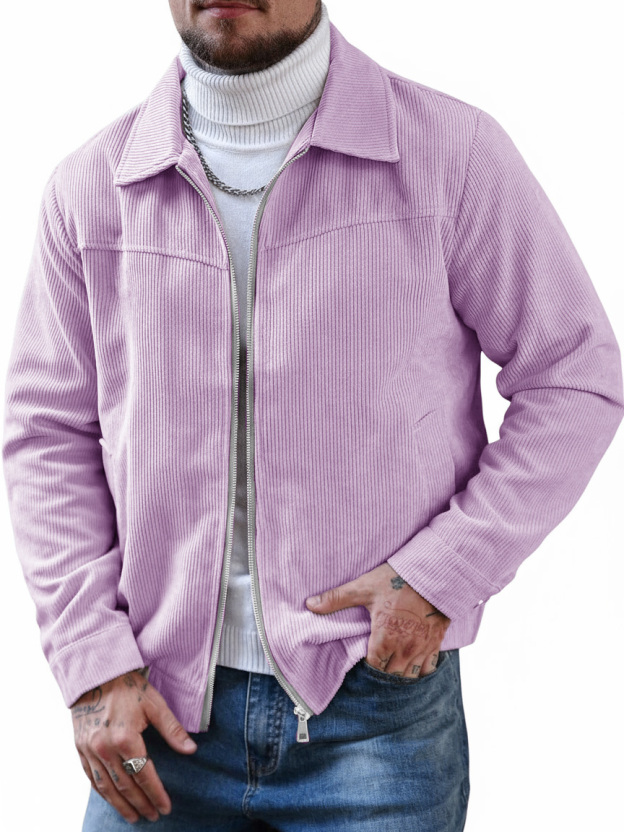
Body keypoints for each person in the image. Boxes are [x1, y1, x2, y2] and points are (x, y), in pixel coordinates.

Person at [2, 0, 622, 829]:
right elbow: (46, 435)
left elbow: (573, 375)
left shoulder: (451, 155)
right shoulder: (92, 186)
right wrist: (89, 660)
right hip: (152, 707)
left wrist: (445, 572)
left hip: (376, 712)